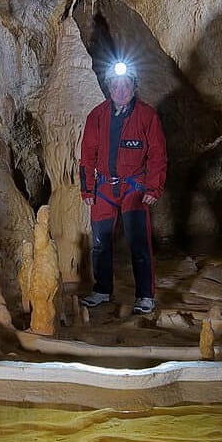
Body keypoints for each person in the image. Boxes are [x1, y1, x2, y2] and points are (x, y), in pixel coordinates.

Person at [77, 61, 166, 315]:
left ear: (133, 86)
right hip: (104, 186)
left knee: (138, 241)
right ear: (109, 88)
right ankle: (102, 290)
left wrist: (153, 188)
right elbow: (88, 156)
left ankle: (145, 296)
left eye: (126, 84)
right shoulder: (97, 116)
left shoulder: (147, 116)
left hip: (134, 186)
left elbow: (158, 155)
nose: (120, 89)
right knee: (100, 242)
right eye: (115, 85)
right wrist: (88, 189)